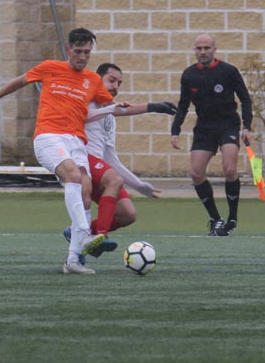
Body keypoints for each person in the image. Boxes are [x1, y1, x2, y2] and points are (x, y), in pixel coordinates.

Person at [0, 28, 115, 275]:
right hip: (49, 136)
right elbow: (20, 81)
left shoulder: (92, 80)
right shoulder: (50, 67)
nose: (83, 57)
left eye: (87, 52)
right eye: (79, 51)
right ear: (69, 49)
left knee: (85, 190)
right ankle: (85, 236)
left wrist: (151, 106)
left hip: (76, 141)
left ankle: (73, 261)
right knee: (74, 176)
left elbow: (114, 106)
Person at [62, 62, 176, 256]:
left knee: (127, 214)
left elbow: (110, 158)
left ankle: (76, 233)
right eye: (111, 80)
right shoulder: (87, 101)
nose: (115, 86)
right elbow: (89, 115)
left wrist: (139, 185)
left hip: (98, 167)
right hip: (80, 161)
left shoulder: (110, 117)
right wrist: (152, 106)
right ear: (98, 80)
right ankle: (99, 236)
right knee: (113, 180)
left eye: (119, 83)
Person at [170, 33, 252, 236]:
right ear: (194, 51)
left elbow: (245, 99)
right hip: (204, 128)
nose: (203, 52)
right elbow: (183, 105)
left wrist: (247, 126)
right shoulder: (189, 75)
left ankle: (232, 218)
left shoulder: (228, 71)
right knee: (196, 173)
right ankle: (216, 219)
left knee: (229, 169)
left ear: (214, 49)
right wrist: (175, 130)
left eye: (207, 48)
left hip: (228, 124)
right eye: (199, 48)